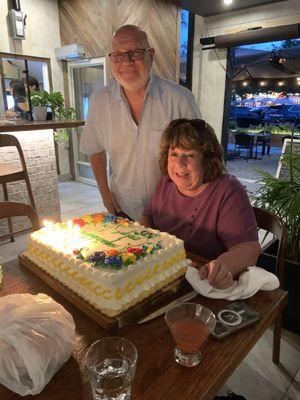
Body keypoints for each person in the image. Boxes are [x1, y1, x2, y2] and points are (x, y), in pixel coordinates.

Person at [80, 25, 201, 221]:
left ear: (150, 55)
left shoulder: (180, 99)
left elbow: (199, 155)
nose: (127, 62)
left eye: (135, 53)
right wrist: (105, 194)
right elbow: (95, 149)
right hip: (122, 207)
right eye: (118, 55)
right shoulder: (99, 101)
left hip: (173, 210)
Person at [140, 118, 261, 289]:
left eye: (190, 155)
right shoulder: (165, 183)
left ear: (207, 161)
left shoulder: (228, 191)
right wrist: (144, 242)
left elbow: (249, 248)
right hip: (164, 276)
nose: (180, 163)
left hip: (204, 283)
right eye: (174, 154)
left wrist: (223, 267)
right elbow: (148, 216)